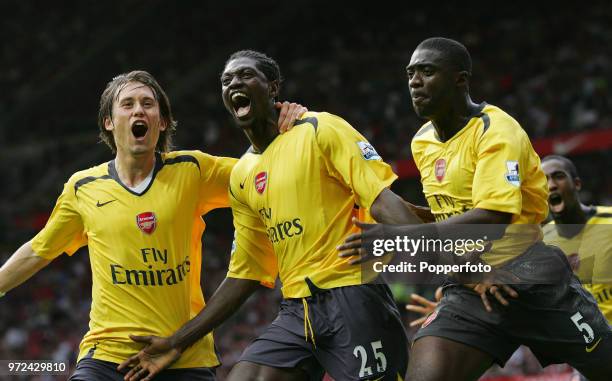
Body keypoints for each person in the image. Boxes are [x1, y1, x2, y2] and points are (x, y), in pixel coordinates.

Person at [118, 50, 419, 381]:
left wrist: (472, 266)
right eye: (226, 80)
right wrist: (178, 340)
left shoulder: (320, 129)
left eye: (245, 75)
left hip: (355, 297)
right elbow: (246, 272)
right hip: (297, 309)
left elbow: (382, 202)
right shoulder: (243, 174)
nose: (234, 83)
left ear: (273, 87)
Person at [0, 70, 305, 380]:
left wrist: (289, 127)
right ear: (109, 121)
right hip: (107, 357)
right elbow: (39, 250)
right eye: (128, 103)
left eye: (148, 103)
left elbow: (262, 169)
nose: (138, 110)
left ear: (161, 122)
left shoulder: (192, 170)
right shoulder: (83, 188)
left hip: (184, 354)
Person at [338, 37, 612, 380]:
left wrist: (399, 236)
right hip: (471, 283)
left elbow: (492, 217)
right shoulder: (422, 141)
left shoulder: (496, 130)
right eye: (410, 73)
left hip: (530, 277)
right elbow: (449, 215)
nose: (415, 81)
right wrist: (404, 212)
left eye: (427, 71)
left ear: (460, 79)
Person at [542, 155, 612, 322]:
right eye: (543, 180)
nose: (551, 185)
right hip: (586, 344)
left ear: (577, 184)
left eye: (559, 176)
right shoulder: (541, 242)